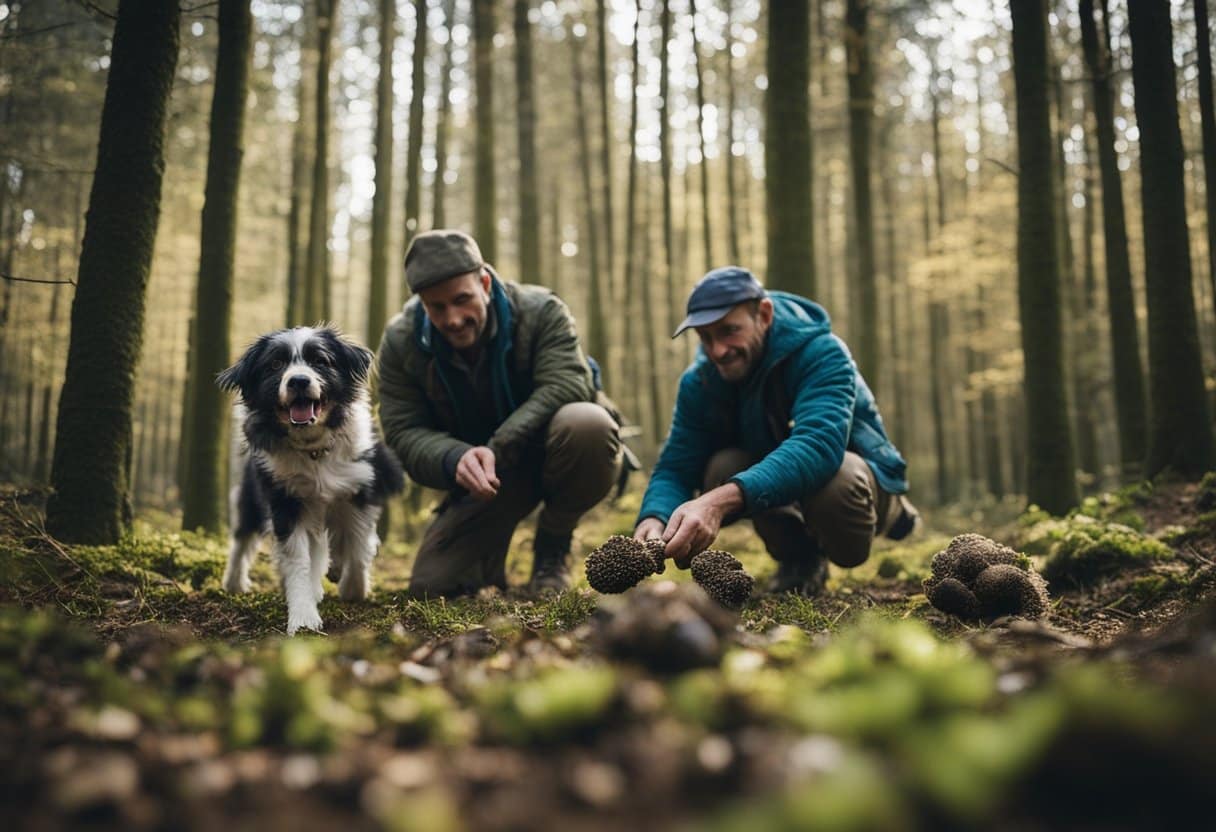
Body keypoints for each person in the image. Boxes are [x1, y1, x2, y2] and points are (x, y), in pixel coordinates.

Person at [633, 266, 917, 595]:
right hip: (775, 477)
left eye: (729, 331)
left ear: (764, 315)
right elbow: (676, 464)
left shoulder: (824, 353)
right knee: (723, 467)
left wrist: (718, 502)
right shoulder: (701, 381)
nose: (717, 350)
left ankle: (894, 510)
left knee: (839, 483)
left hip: (845, 472)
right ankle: (800, 561)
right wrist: (654, 517)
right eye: (705, 337)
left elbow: (818, 445)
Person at [378, 229, 623, 596]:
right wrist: (453, 458)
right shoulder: (401, 342)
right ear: (421, 303)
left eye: (463, 300)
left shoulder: (541, 311)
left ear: (485, 283)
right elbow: (402, 431)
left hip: (551, 450)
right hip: (481, 480)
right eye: (437, 307)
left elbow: (570, 383)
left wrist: (499, 444)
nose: (454, 318)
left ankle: (553, 545)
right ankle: (487, 560)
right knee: (435, 585)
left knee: (587, 424)